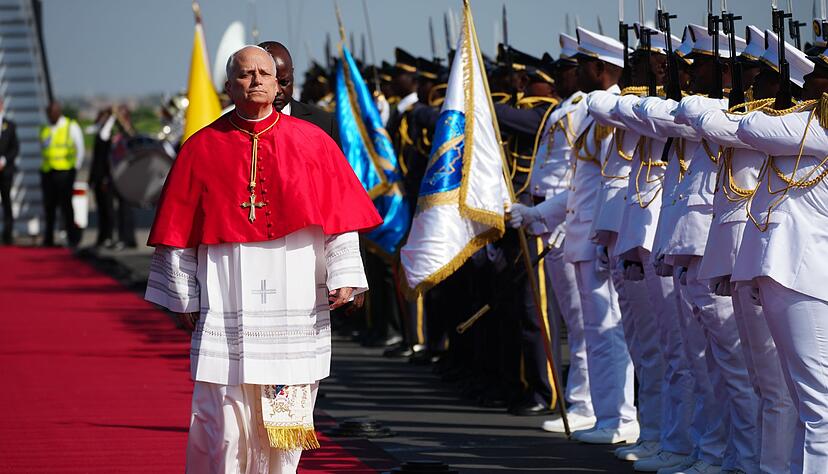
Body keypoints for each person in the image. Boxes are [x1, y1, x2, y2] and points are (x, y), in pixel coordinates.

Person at [144, 45, 382, 473]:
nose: (255, 80)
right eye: (244, 74)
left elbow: (341, 218)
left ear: (278, 84)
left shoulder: (314, 143)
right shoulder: (201, 148)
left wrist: (345, 272)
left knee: (286, 428)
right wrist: (184, 296)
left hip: (295, 308)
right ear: (229, 86)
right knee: (224, 427)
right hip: (226, 301)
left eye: (263, 73)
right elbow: (178, 232)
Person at [258, 41, 340, 147]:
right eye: (270, 84)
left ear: (292, 74)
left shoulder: (324, 123)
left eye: (284, 83)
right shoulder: (233, 125)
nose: (277, 91)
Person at [39, 101, 84, 247]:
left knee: (66, 206)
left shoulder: (71, 126)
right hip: (48, 171)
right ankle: (48, 238)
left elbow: (80, 149)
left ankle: (72, 238)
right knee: (49, 206)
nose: (50, 117)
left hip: (65, 172)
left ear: (58, 112)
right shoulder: (45, 128)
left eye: (52, 114)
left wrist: (75, 168)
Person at [0, 97, 19, 245]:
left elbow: (15, 148)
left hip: (5, 171)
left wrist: (4, 160)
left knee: (7, 201)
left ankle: (8, 234)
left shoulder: (10, 125)